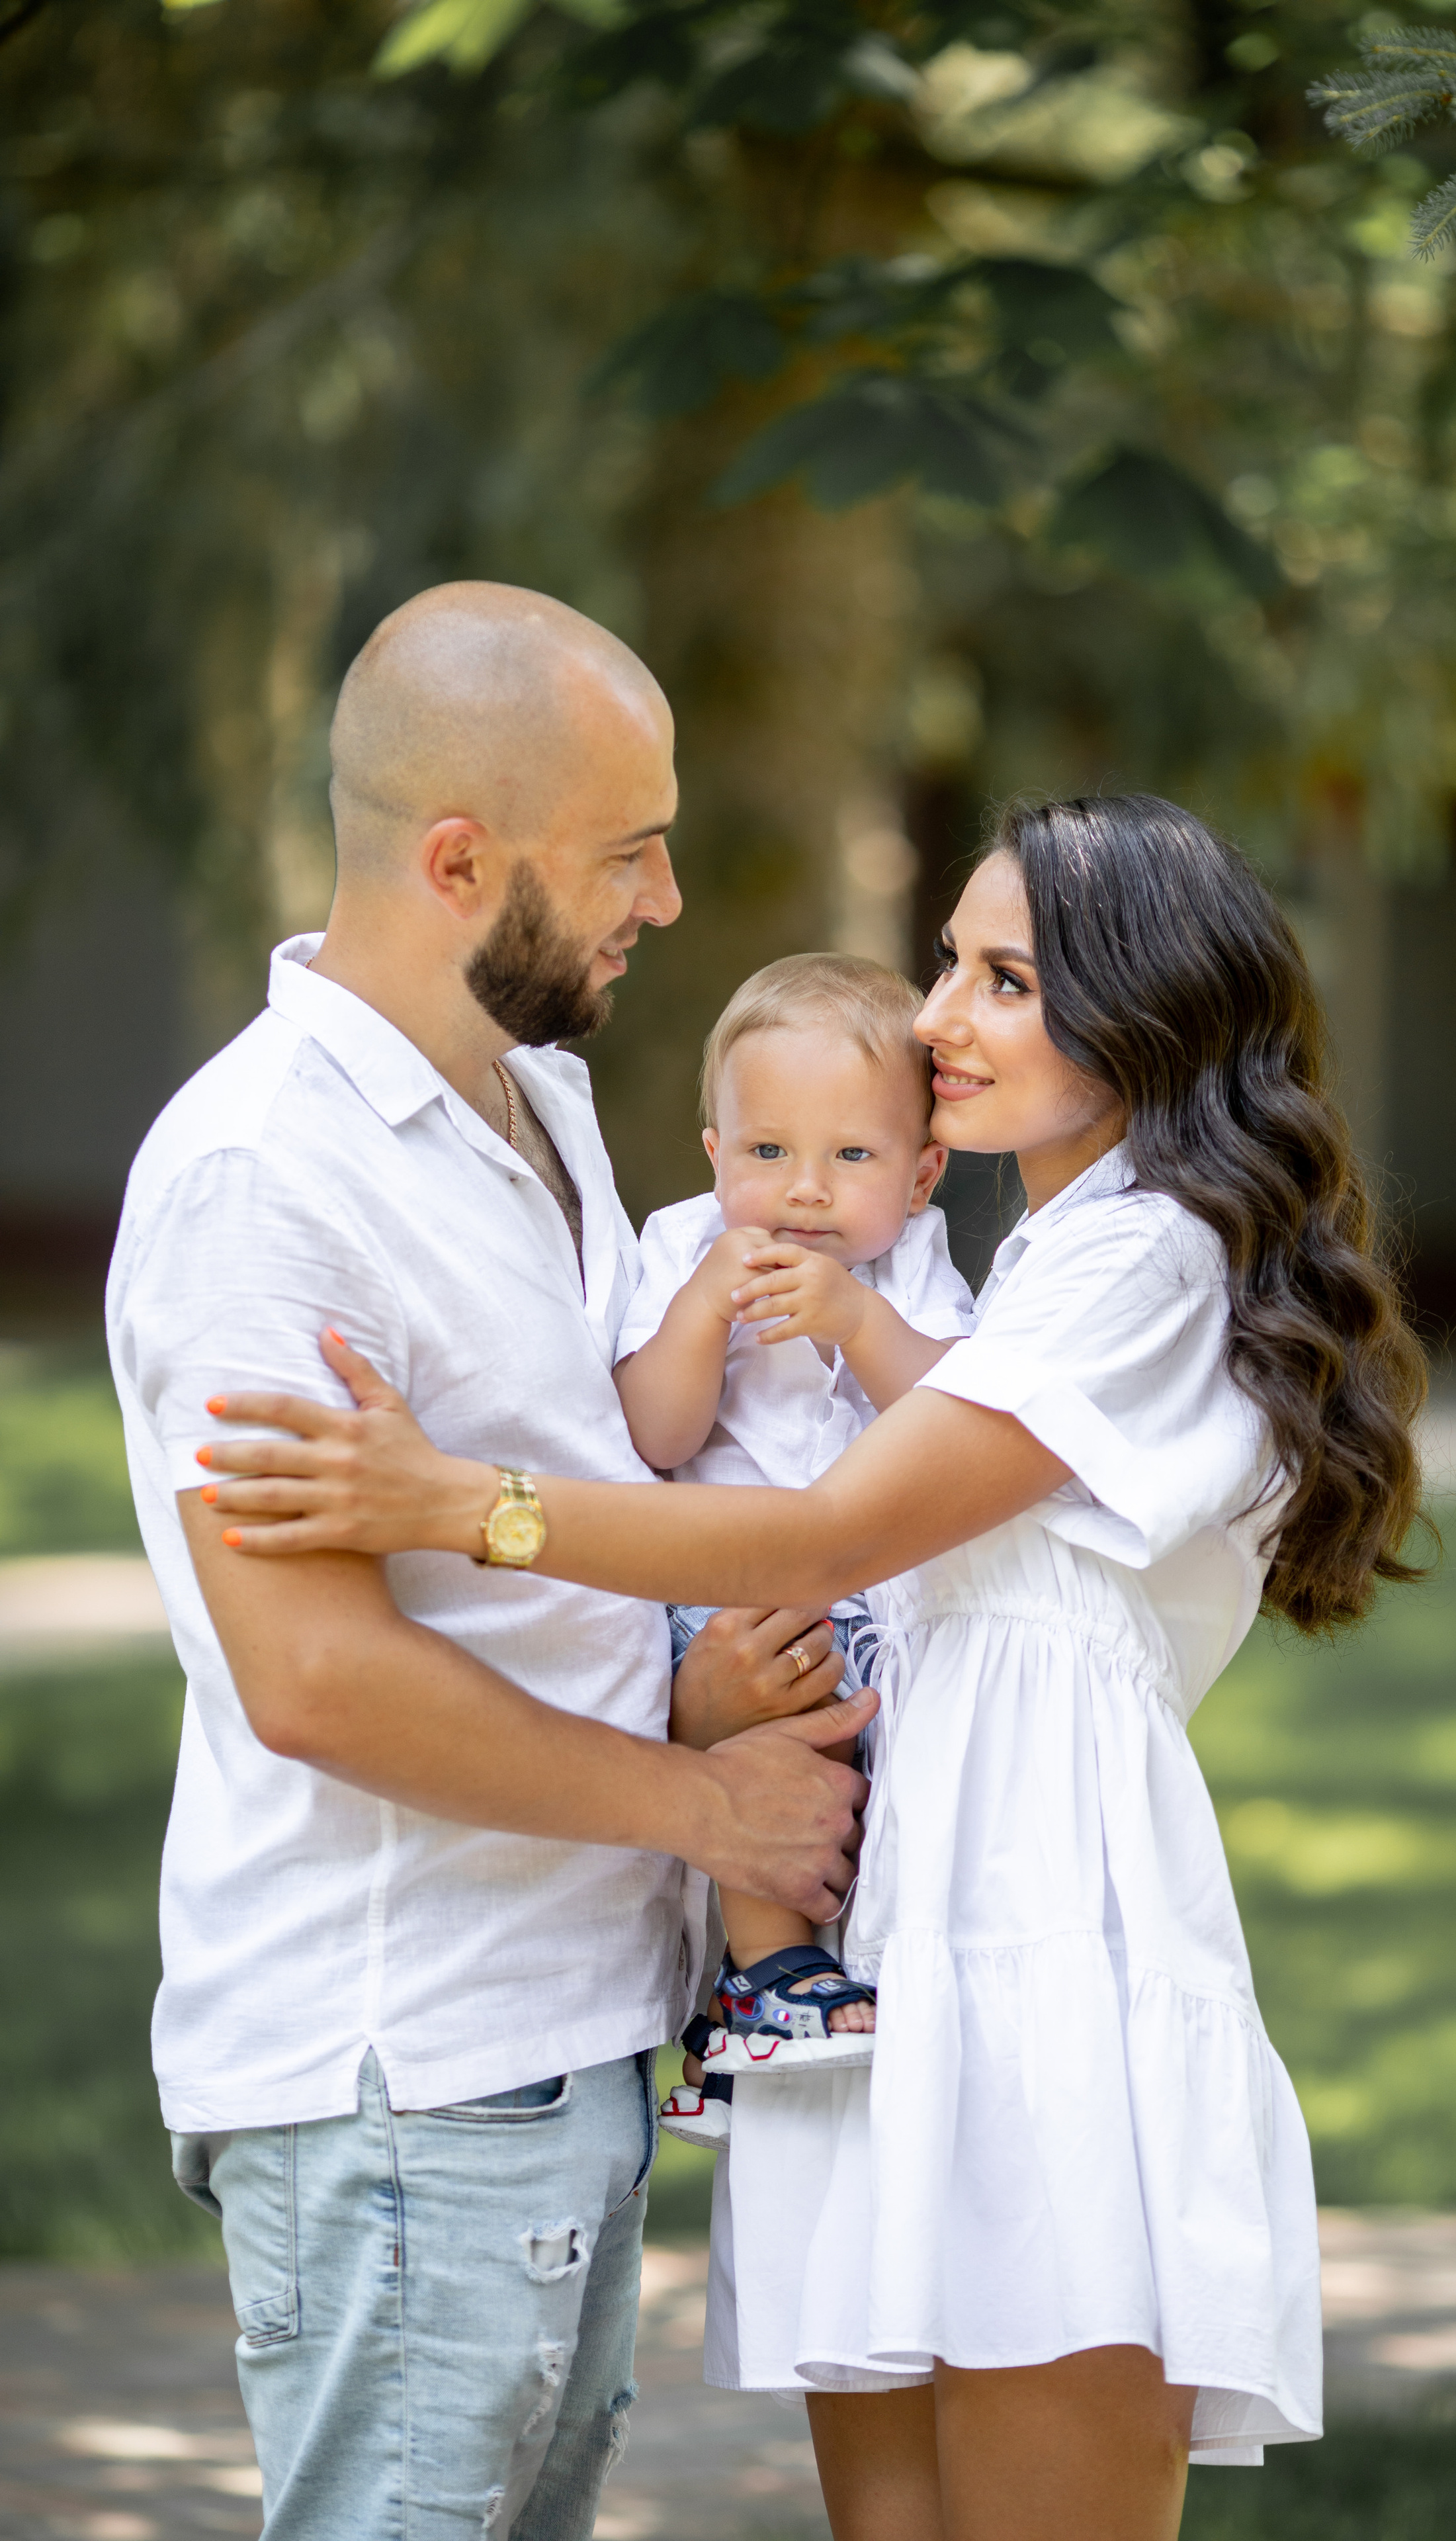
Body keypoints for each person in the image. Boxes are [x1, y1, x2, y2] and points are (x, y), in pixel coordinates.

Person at [198, 793, 1429, 2541]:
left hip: (1036, 1956)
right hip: (878, 1971)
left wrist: (462, 1504)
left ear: (1145, 1014)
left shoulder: (1150, 1256)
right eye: (950, 966)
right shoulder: (1026, 1270)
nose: (938, 1022)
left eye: (1006, 980)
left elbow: (830, 1536)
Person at [105, 580, 873, 2541]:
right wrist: (708, 1802)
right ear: (460, 860)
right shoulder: (260, 1181)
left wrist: (685, 1687)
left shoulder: (531, 1093)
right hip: (407, 2086)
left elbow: (549, 1513)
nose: (673, 898)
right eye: (629, 851)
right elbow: (318, 1676)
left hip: (556, 2049)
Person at [612, 954, 976, 2142]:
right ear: (713, 1152)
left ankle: (787, 2002)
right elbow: (652, 1433)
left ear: (923, 1173)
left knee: (883, 1791)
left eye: (853, 1157)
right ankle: (764, 1982)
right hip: (732, 1599)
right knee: (777, 1746)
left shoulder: (915, 1270)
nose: (805, 1193)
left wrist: (861, 1320)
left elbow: (956, 1418)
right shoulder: (680, 1252)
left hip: (886, 1603)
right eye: (768, 1153)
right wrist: (703, 1315)